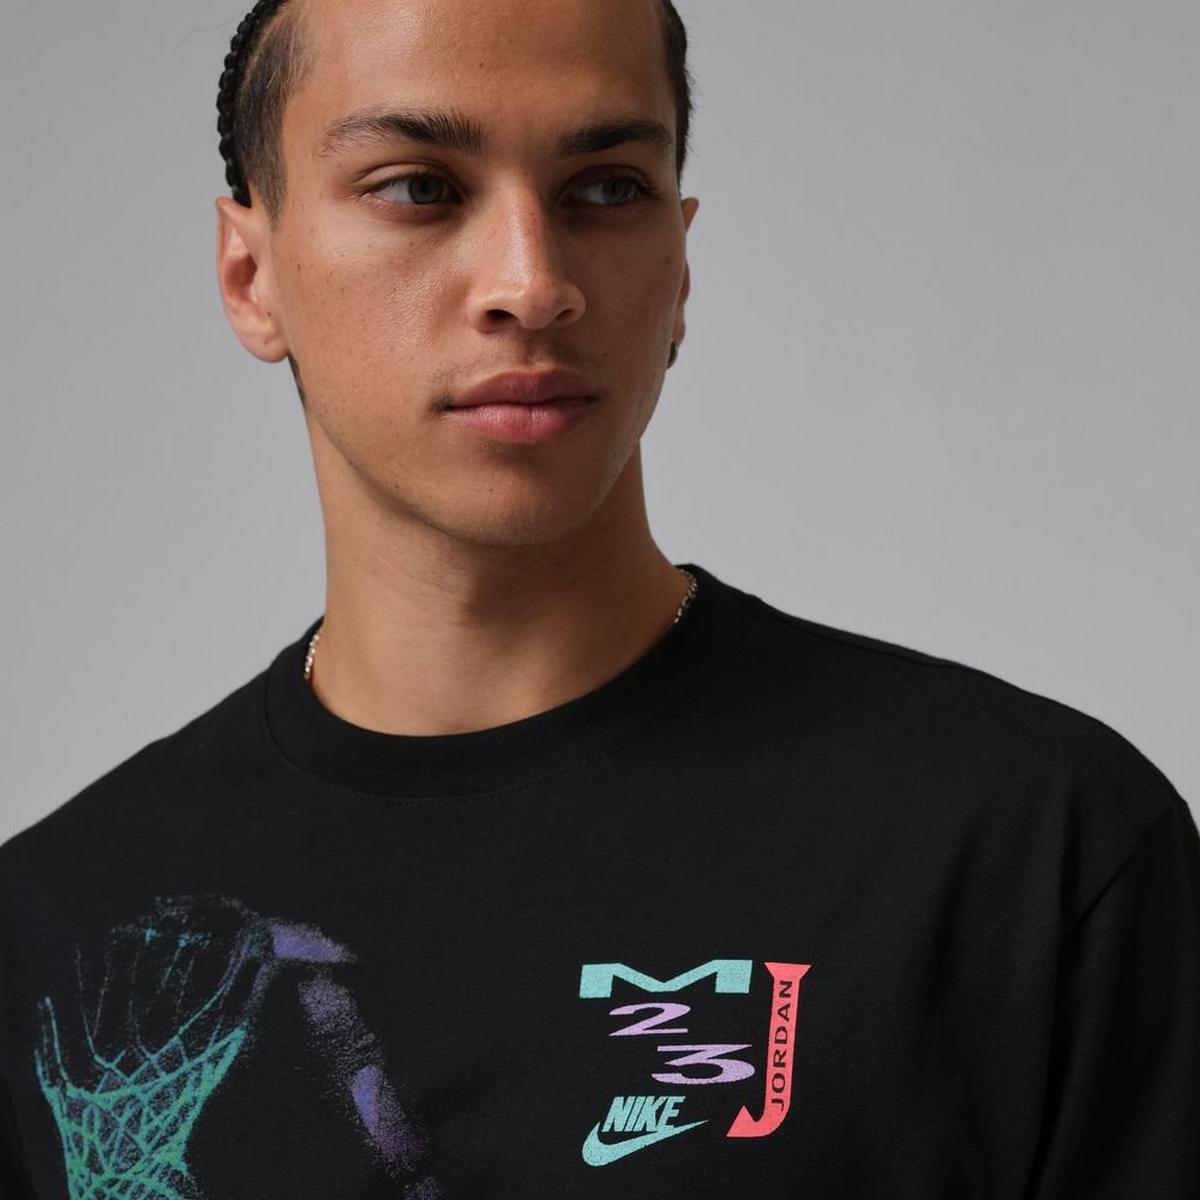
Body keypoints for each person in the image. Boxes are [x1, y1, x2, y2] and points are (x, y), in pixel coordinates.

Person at [1, 0, 1196, 1195]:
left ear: (680, 267)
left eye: (607, 189)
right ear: (250, 275)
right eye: (419, 188)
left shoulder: (1028, 855)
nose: (533, 284)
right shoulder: (49, 943)